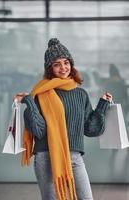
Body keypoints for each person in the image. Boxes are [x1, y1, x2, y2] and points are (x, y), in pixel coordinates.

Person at [14, 38, 112, 200]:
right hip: (46, 156)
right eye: (57, 64)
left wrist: (102, 105)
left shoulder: (80, 94)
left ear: (71, 64)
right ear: (50, 68)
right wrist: (29, 103)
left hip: (74, 156)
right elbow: (39, 130)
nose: (63, 67)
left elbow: (90, 129)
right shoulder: (40, 93)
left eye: (66, 62)